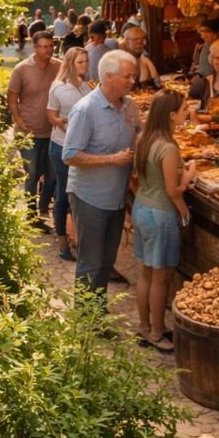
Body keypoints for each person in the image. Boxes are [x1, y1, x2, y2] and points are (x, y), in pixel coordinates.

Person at [62, 49, 140, 299]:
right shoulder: (85, 109)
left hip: (116, 198)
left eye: (134, 75)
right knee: (91, 263)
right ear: (108, 77)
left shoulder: (130, 106)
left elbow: (139, 136)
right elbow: (69, 155)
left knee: (107, 260)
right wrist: (112, 159)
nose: (133, 81)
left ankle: (98, 310)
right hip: (90, 198)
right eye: (128, 76)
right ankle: (85, 318)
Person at [131, 90, 196, 353]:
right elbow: (173, 190)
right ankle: (157, 332)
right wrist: (188, 175)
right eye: (184, 109)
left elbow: (138, 177)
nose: (187, 112)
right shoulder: (168, 148)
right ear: (171, 115)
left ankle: (144, 326)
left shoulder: (144, 139)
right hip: (160, 216)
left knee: (146, 273)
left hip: (142, 208)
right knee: (162, 277)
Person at [8, 30, 61, 222]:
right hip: (29, 132)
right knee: (32, 175)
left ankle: (43, 210)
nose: (48, 50)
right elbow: (12, 99)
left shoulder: (59, 67)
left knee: (51, 175)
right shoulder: (22, 69)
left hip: (53, 132)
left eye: (51, 46)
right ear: (35, 47)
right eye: (44, 47)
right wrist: (20, 122)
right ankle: (31, 216)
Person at [46, 46, 91, 261]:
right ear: (71, 63)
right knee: (63, 194)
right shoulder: (58, 87)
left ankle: (78, 238)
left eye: (86, 61)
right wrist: (61, 122)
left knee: (78, 193)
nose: (85, 65)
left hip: (81, 148)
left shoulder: (86, 87)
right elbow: (51, 115)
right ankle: (63, 242)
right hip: (62, 146)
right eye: (80, 62)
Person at [122, 25, 161, 89]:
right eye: (135, 39)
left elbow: (157, 83)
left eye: (143, 39)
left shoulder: (145, 59)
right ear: (126, 42)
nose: (140, 42)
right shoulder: (120, 61)